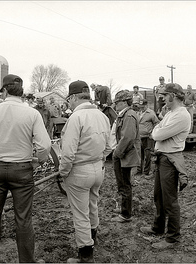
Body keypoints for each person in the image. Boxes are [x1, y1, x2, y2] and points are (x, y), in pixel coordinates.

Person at [0, 74, 51, 263]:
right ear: (21, 92)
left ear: (5, 91)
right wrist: (37, 161)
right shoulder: (32, 113)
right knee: (23, 218)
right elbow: (45, 146)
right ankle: (26, 261)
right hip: (22, 169)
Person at [58, 80, 113, 263]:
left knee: (80, 214)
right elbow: (109, 146)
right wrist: (99, 160)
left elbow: (68, 153)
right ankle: (93, 238)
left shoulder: (76, 118)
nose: (69, 104)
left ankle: (85, 255)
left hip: (79, 171)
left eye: (69, 100)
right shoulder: (102, 116)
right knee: (92, 205)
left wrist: (63, 172)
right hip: (98, 168)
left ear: (73, 97)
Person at [139, 83, 190, 249]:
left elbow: (158, 133)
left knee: (170, 200)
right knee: (159, 197)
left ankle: (173, 238)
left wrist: (157, 131)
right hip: (163, 158)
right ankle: (158, 228)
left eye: (164, 95)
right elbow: (157, 131)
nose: (161, 98)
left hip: (170, 159)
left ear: (173, 96)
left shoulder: (181, 115)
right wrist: (157, 130)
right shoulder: (171, 113)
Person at [110, 90, 141, 224]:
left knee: (125, 184)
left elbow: (128, 138)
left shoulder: (128, 116)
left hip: (124, 155)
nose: (115, 105)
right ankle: (124, 207)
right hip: (123, 155)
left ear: (124, 102)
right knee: (122, 183)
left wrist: (117, 153)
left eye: (117, 102)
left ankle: (126, 214)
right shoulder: (125, 114)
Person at [136, 98, 159, 177]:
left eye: (143, 106)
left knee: (148, 155)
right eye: (140, 106)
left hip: (148, 138)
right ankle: (139, 170)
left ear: (146, 105)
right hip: (140, 137)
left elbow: (157, 123)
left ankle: (146, 171)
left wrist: (152, 133)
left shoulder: (151, 113)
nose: (141, 108)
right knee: (139, 154)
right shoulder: (138, 113)